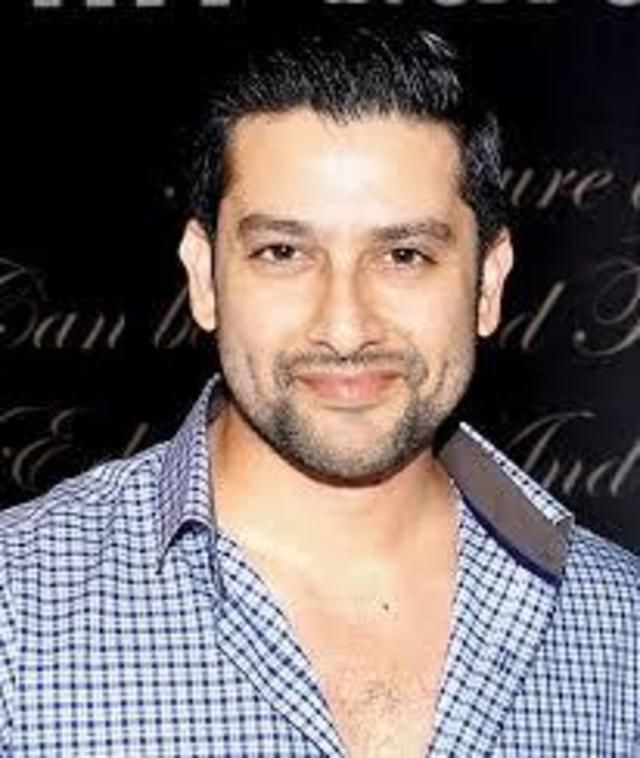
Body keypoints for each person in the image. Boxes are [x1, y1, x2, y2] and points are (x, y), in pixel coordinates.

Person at [1, 20, 638, 758]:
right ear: (203, 276)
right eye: (283, 252)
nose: (344, 326)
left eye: (404, 255)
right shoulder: (17, 610)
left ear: (489, 283)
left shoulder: (620, 624)